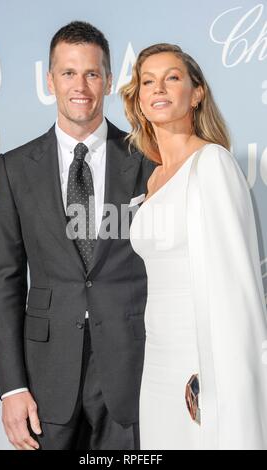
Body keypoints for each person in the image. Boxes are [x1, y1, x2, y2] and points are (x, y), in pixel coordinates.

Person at [0, 21, 155, 450]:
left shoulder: (147, 161)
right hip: (45, 379)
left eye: (92, 73)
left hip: (133, 372)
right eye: (68, 73)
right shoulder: (14, 167)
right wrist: (10, 388)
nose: (80, 86)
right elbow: (3, 281)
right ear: (50, 79)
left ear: (109, 81)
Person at [121, 43, 267, 450]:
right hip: (157, 364)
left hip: (199, 365)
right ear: (138, 98)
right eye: (147, 81)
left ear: (196, 92)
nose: (159, 88)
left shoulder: (212, 164)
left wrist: (218, 379)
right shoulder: (152, 180)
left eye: (172, 77)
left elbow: (236, 287)